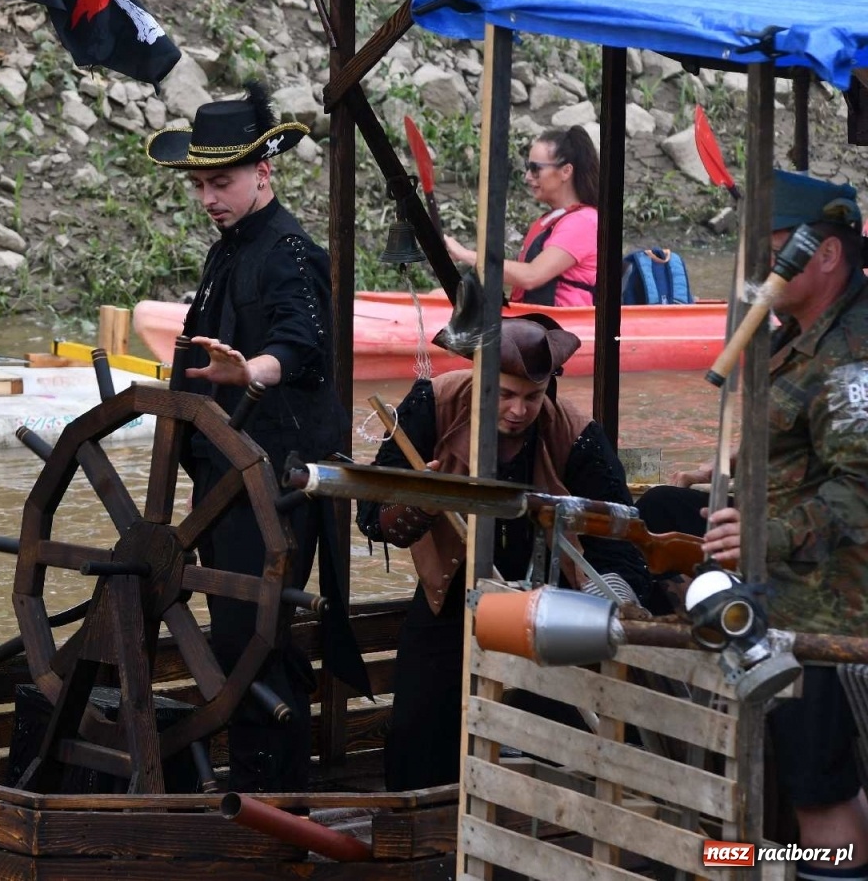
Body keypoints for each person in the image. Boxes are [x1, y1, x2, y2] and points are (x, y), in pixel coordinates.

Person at [147, 81, 370, 793]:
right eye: (201, 184)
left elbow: (301, 344)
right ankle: (253, 792)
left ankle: (273, 802)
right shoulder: (228, 249)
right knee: (234, 637)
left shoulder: (290, 251)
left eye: (223, 182)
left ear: (263, 174)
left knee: (254, 640)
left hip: (273, 478)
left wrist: (253, 372)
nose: (209, 196)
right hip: (224, 478)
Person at [355, 315, 650, 792]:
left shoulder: (575, 432)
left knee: (565, 740)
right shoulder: (433, 403)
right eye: (505, 395)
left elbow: (622, 538)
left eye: (532, 397)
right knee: (417, 736)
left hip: (546, 603)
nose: (518, 410)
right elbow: (373, 517)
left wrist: (612, 607)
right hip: (451, 594)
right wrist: (423, 500)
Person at [695, 170, 868, 878]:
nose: (760, 270)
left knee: (818, 786)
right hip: (784, 592)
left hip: (830, 603)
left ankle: (833, 869)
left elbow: (860, 492)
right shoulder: (796, 332)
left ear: (823, 254)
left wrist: (763, 534)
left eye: (774, 252)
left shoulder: (852, 351)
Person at [445, 125, 600, 306]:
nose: (527, 176)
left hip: (558, 328)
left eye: (535, 168)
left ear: (566, 171)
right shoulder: (555, 219)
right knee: (440, 294)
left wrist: (465, 255)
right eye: (528, 167)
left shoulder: (583, 223)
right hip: (536, 321)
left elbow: (531, 276)